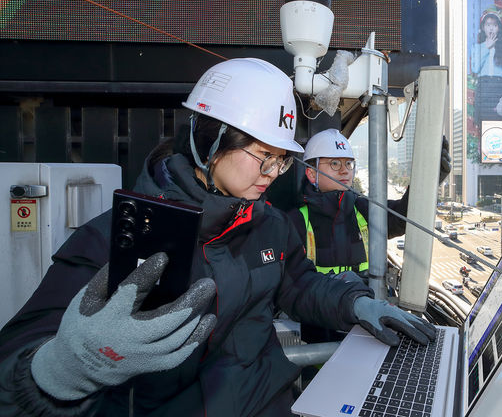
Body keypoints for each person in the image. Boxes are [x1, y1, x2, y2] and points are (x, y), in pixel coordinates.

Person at [0, 58, 435, 416]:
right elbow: (13, 364)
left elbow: (299, 284)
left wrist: (354, 303)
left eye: (282, 160)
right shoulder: (112, 241)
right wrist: (59, 371)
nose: (271, 174)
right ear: (208, 139)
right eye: (263, 156)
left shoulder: (266, 223)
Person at [288, 128, 451, 277]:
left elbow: (402, 217)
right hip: (319, 307)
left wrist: (427, 179)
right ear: (311, 174)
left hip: (368, 304)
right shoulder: (296, 222)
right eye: (335, 163)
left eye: (349, 163)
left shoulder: (362, 209)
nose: (345, 170)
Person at [470, 11, 502, 83]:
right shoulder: (476, 47)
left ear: (499, 28)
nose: (491, 29)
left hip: (498, 85)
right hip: (482, 86)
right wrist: (487, 48)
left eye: (494, 25)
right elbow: (475, 69)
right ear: (483, 27)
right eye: (488, 25)